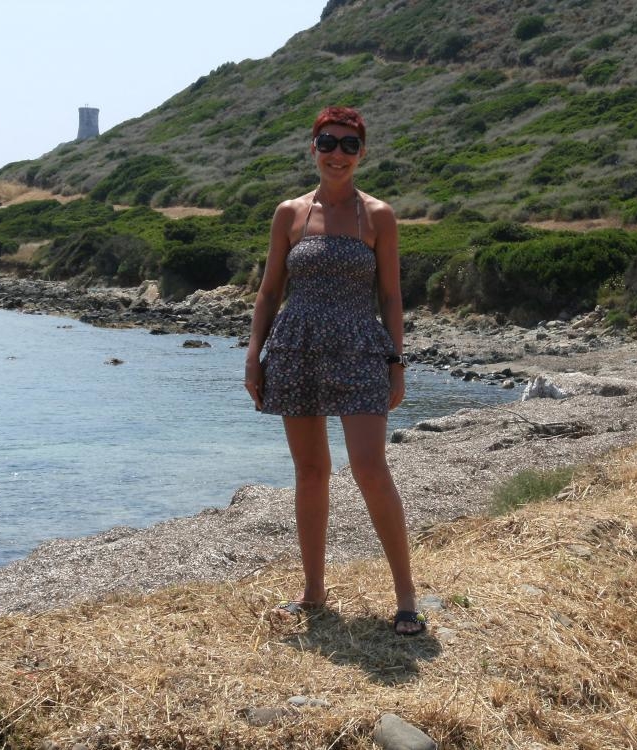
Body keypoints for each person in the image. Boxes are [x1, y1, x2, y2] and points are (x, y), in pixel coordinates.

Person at [244, 106, 426, 636]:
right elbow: (269, 292)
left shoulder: (379, 216)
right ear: (314, 148)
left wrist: (397, 363)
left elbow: (390, 297)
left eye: (349, 145)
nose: (337, 154)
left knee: (370, 468)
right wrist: (254, 355)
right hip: (296, 347)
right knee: (310, 471)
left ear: (362, 153)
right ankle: (313, 591)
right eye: (328, 143)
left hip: (360, 349)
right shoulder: (290, 213)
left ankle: (406, 596)